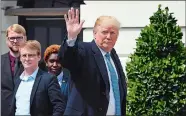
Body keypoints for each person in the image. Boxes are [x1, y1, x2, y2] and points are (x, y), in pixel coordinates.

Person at [58, 8, 127, 115]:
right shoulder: (84, 50)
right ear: (94, 33)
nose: (108, 37)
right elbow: (67, 60)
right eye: (104, 32)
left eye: (112, 33)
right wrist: (71, 37)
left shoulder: (113, 55)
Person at [11, 40, 65, 116]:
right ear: (20, 58)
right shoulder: (18, 80)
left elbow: (59, 107)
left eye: (31, 55)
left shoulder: (48, 79)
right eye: (24, 55)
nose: (27, 59)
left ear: (39, 57)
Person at [1, 24, 26, 116]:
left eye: (19, 37)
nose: (15, 41)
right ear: (7, 40)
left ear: (25, 39)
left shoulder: (35, 63)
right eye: (12, 38)